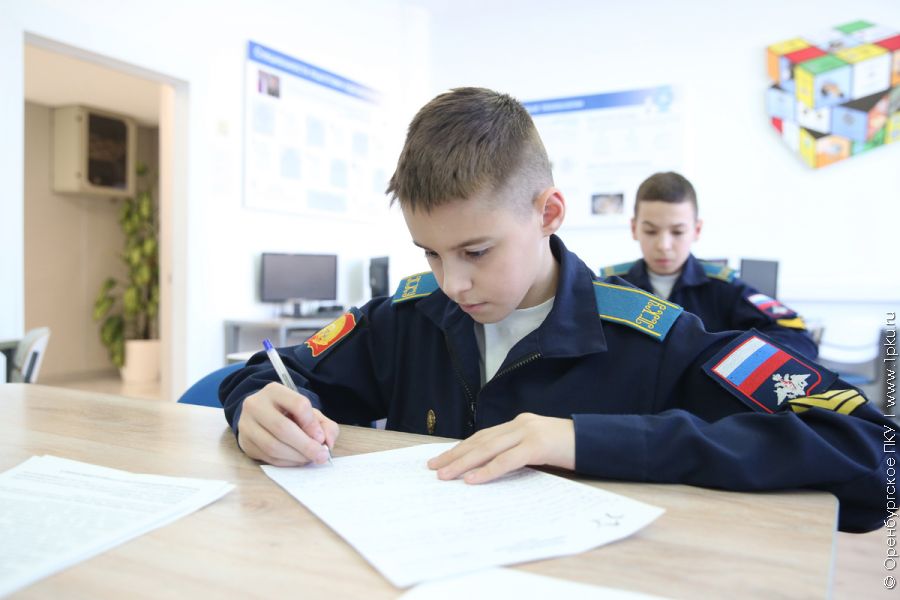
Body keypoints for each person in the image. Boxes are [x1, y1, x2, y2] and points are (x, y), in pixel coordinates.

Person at [220, 87, 887, 533]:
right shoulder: (406, 318)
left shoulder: (655, 339)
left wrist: (582, 440)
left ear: (549, 213)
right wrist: (256, 405)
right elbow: (270, 372)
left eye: (476, 251)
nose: (453, 283)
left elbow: (873, 452)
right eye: (431, 253)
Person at [600, 171, 819, 359]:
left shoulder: (723, 287)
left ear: (696, 230)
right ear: (634, 229)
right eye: (650, 231)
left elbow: (797, 336)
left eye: (677, 232)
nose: (664, 245)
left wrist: (727, 357)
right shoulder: (611, 288)